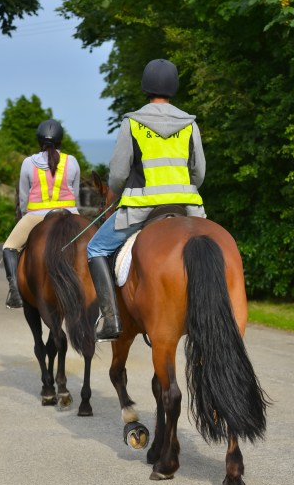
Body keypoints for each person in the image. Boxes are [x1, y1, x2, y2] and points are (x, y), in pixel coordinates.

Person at [87, 58, 207, 341]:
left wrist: (120, 190)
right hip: (186, 208)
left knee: (94, 249)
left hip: (142, 208)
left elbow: (116, 176)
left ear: (146, 87)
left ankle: (111, 319)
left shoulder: (133, 123)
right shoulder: (190, 124)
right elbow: (199, 173)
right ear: (174, 87)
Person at [1, 119, 82, 308]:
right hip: (69, 214)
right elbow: (75, 194)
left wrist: (24, 216)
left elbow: (23, 198)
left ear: (40, 141)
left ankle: (15, 292)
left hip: (37, 215)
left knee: (9, 247)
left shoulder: (28, 163)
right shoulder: (72, 161)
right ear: (61, 140)